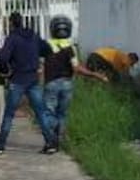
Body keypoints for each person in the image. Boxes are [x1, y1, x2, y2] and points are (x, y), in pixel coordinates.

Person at [0, 13, 56, 155]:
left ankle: (0, 144)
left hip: (17, 80)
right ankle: (50, 143)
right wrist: (36, 60)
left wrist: (5, 71)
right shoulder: (34, 36)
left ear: (11, 23)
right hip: (33, 79)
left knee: (9, 114)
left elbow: (3, 58)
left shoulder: (12, 38)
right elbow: (48, 50)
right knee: (40, 112)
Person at [42, 16, 106, 147]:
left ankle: (51, 142)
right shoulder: (70, 47)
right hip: (67, 84)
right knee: (62, 114)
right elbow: (76, 68)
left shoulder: (46, 45)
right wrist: (95, 75)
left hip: (51, 83)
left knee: (49, 113)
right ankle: (60, 140)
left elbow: (40, 65)